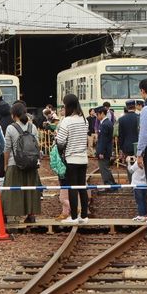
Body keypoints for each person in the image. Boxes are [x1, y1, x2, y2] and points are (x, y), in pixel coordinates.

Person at [2, 102, 42, 224]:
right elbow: (37, 146)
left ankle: (6, 214)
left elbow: (7, 149)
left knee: (10, 190)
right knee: (30, 189)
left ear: (13, 115)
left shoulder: (11, 128)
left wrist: (5, 165)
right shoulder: (32, 127)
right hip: (31, 164)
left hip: (15, 163)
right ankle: (31, 214)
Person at [56, 94, 90, 224]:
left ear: (68, 106)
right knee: (82, 187)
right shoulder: (84, 120)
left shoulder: (67, 121)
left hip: (71, 159)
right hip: (83, 159)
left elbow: (60, 141)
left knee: (72, 188)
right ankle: (85, 216)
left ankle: (74, 217)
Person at [94, 107, 117, 185]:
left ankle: (108, 185)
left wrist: (101, 152)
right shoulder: (107, 123)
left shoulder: (104, 124)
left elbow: (103, 140)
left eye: (97, 114)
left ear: (102, 113)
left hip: (104, 151)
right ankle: (112, 184)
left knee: (104, 169)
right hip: (107, 149)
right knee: (106, 168)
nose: (96, 117)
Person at [129, 154, 147, 222]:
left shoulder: (137, 163)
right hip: (144, 185)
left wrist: (128, 162)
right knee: (144, 201)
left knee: (139, 201)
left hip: (137, 185)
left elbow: (130, 170)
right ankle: (145, 215)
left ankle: (141, 215)